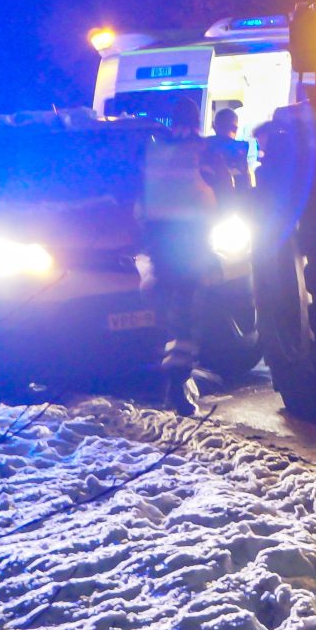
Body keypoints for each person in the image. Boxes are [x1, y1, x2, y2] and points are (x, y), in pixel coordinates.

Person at [140, 97, 217, 414]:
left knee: (162, 315)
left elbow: (144, 196)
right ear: (196, 119)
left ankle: (155, 380)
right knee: (185, 320)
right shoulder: (202, 149)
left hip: (160, 243)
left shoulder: (154, 150)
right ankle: (176, 389)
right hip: (189, 243)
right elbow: (216, 190)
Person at [204, 106, 250, 193]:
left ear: (214, 127)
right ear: (235, 129)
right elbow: (245, 184)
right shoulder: (241, 148)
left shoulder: (203, 145)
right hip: (234, 200)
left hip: (207, 198)